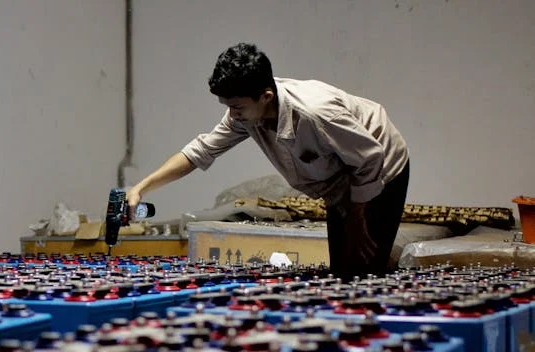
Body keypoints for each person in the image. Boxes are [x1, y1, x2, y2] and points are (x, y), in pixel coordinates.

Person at [126, 42, 410, 281]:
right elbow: (199, 151)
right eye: (227, 106)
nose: (231, 114)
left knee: (363, 271)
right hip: (341, 180)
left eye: (236, 106)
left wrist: (357, 223)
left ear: (266, 97)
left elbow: (369, 158)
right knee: (342, 273)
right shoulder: (246, 116)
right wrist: (142, 188)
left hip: (381, 168)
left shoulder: (315, 114)